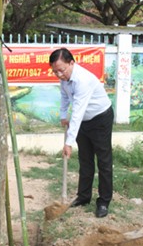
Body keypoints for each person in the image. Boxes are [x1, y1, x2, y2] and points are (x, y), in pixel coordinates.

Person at [49, 48, 114, 218]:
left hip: (100, 118)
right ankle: (84, 196)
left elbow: (77, 111)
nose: (59, 75)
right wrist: (63, 115)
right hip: (83, 121)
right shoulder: (64, 79)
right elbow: (64, 96)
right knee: (85, 159)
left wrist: (68, 142)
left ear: (72, 63)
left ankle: (104, 201)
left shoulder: (82, 80)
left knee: (103, 160)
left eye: (61, 70)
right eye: (55, 71)